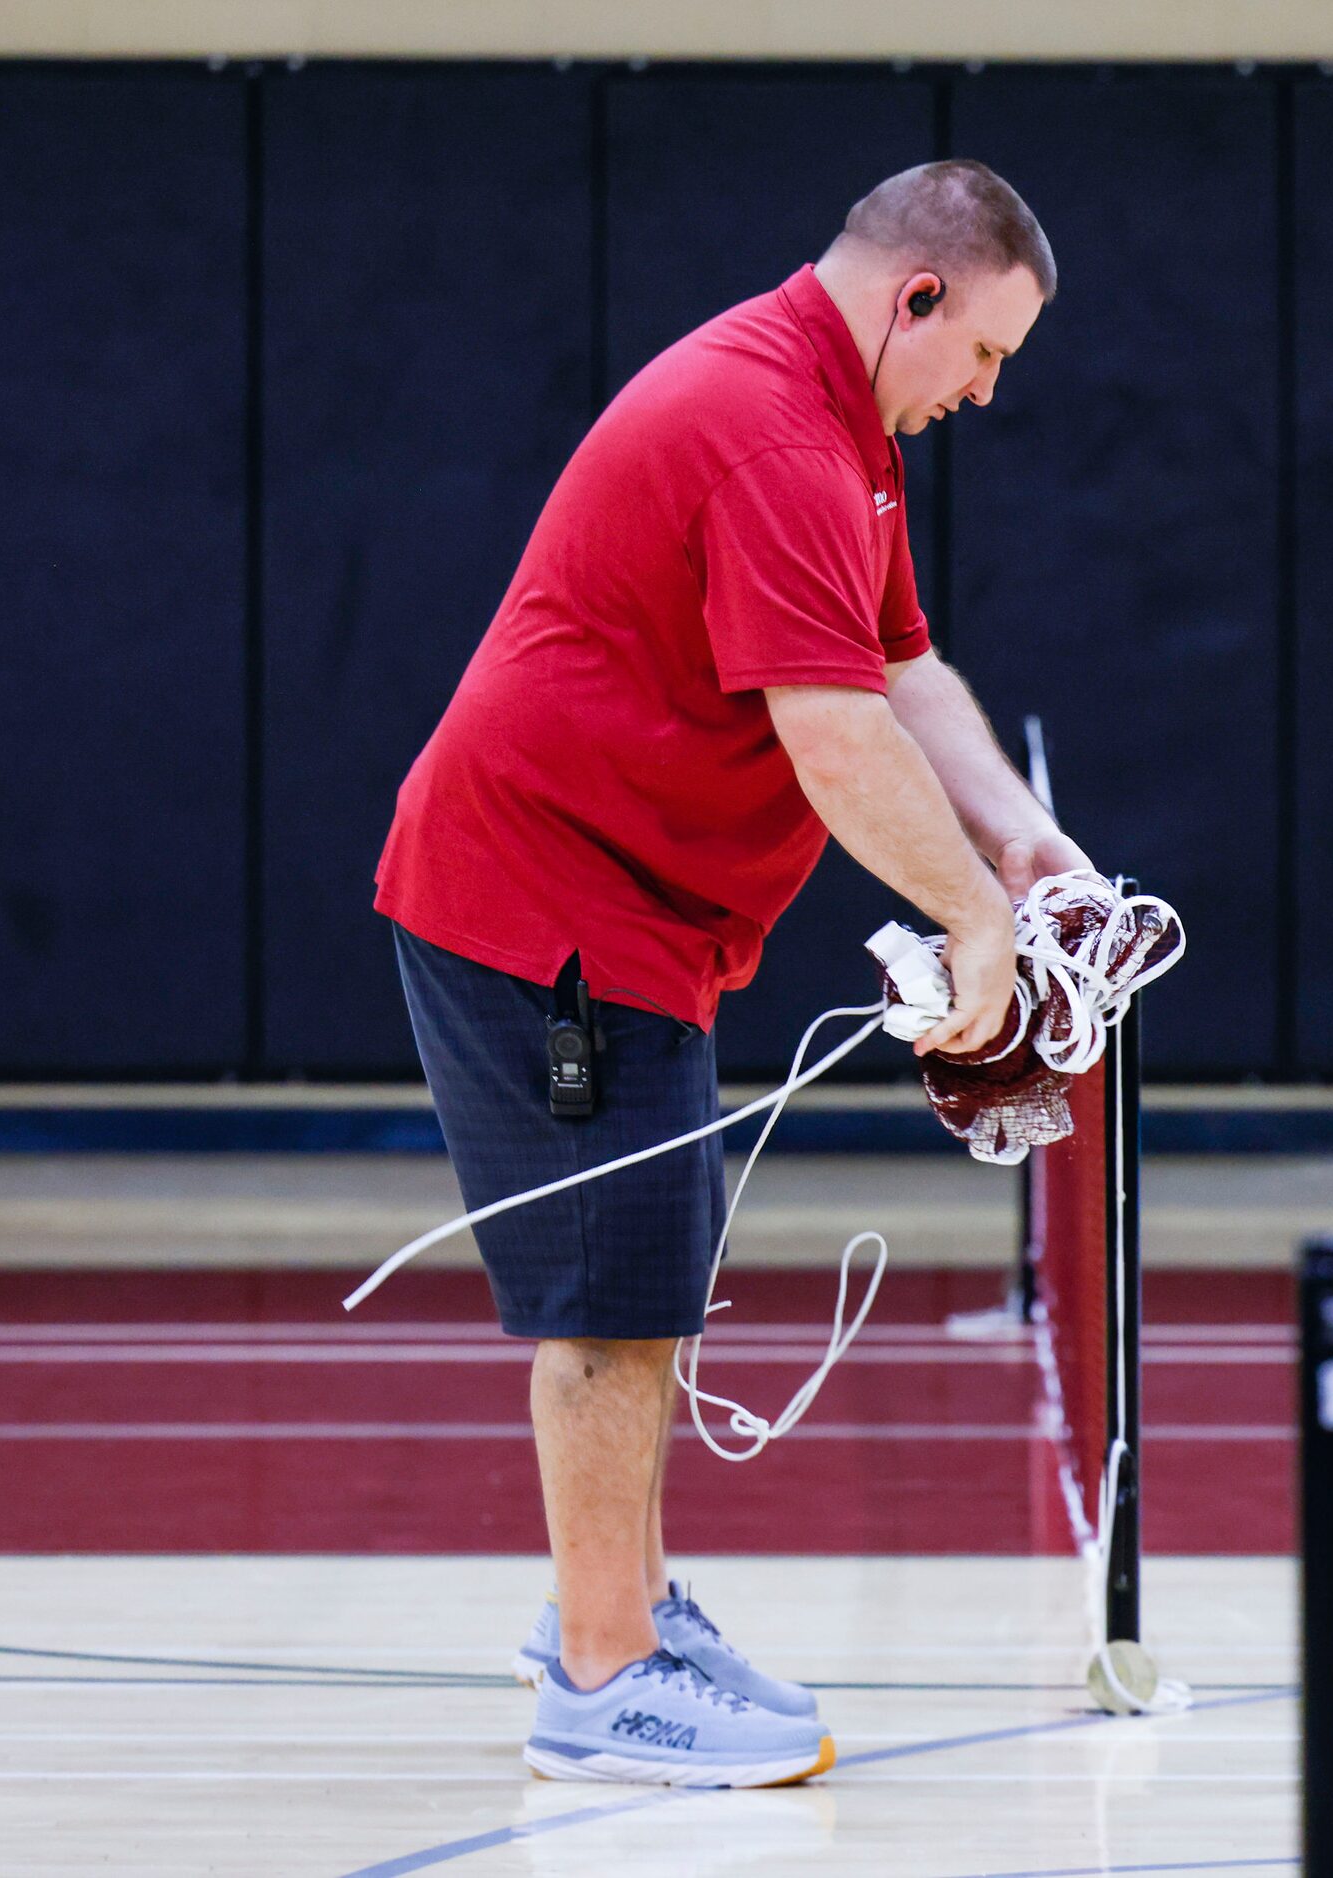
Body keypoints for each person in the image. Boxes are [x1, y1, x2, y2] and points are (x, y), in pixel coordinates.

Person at [373, 159, 1092, 1788]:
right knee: (612, 1302)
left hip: (631, 918)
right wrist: (975, 923)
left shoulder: (839, 427)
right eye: (982, 355)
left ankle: (613, 1613)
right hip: (542, 908)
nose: (982, 394)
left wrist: (1025, 843)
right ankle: (601, 1679)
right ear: (915, 297)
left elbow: (901, 668)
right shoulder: (775, 431)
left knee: (651, 1283)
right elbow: (829, 729)